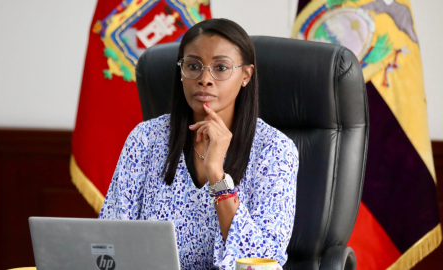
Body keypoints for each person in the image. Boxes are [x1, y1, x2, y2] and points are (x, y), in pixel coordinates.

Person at [99, 18, 299, 270]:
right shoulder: (146, 138)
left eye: (221, 67)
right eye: (193, 66)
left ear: (246, 75)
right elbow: (109, 239)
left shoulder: (275, 149)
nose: (205, 78)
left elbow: (263, 262)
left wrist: (217, 174)